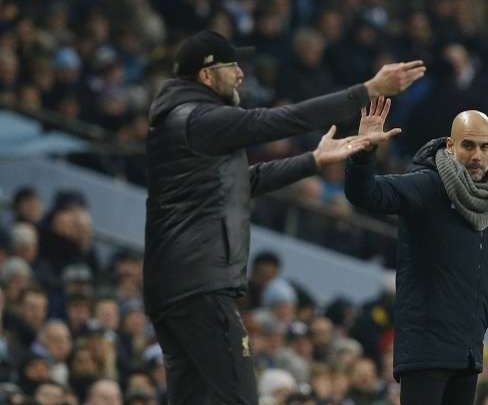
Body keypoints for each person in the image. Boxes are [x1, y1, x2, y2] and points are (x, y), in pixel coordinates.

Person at [143, 30, 424, 405]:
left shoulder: (182, 122)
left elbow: (245, 181)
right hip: (199, 284)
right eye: (231, 66)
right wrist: (368, 90)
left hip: (176, 286)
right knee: (240, 397)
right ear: (206, 76)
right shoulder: (199, 119)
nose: (241, 74)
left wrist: (314, 160)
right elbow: (281, 120)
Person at [345, 98, 488, 405]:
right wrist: (364, 152)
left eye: (485, 147)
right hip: (427, 347)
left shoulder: (486, 197)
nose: (477, 155)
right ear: (450, 145)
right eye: (468, 145)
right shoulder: (426, 186)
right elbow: (366, 194)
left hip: (467, 349)